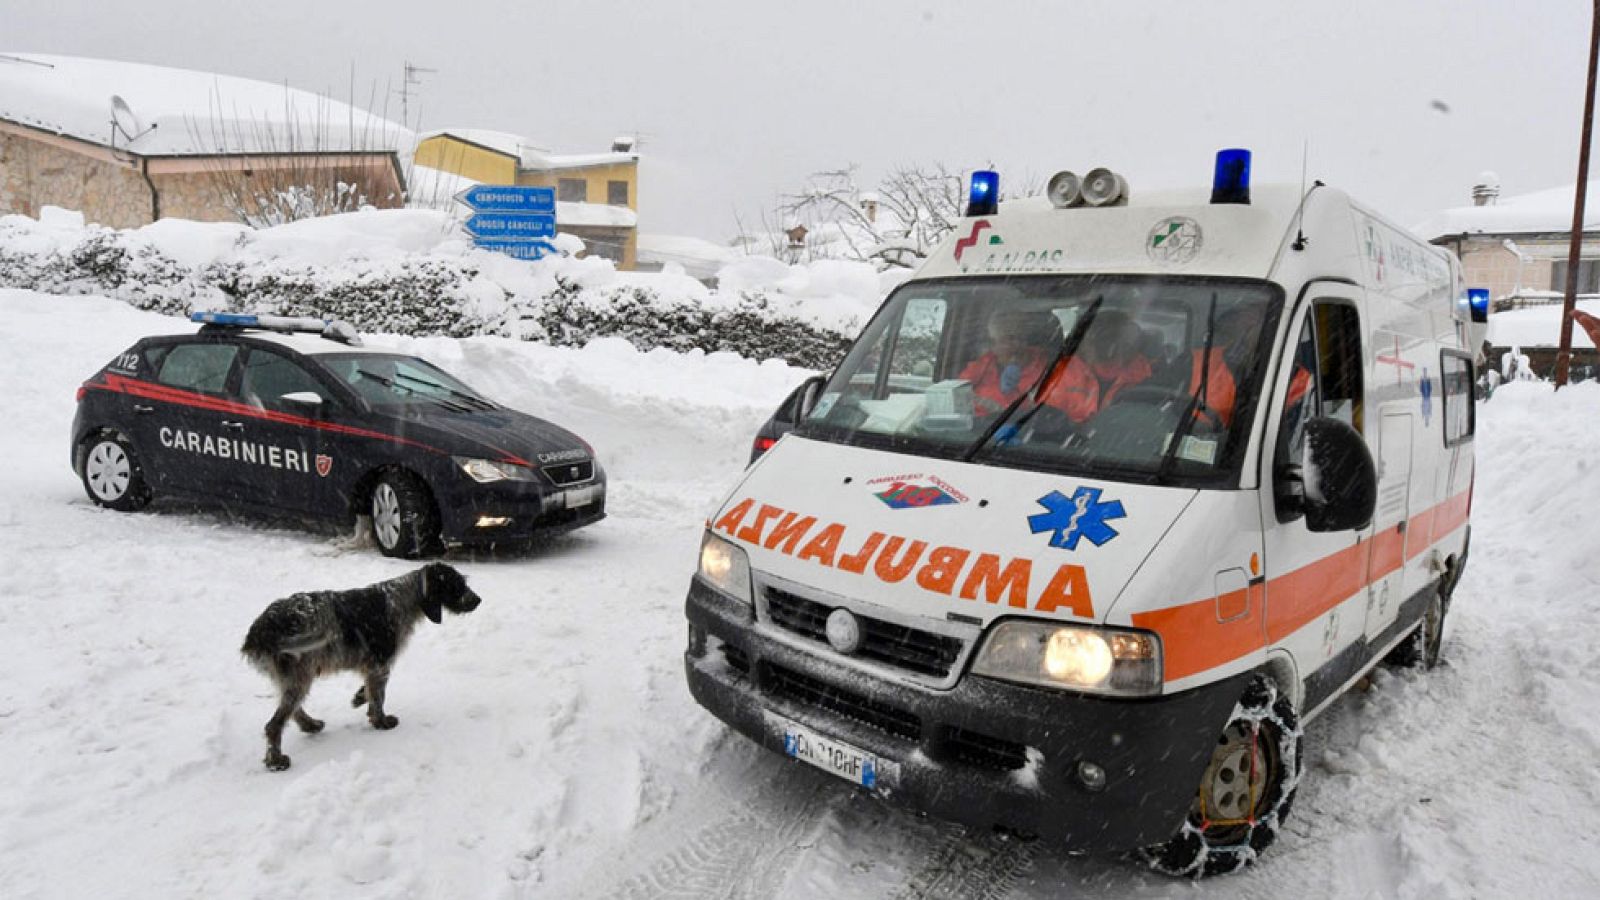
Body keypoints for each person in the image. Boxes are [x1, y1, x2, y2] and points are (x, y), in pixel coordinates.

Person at [959, 308, 1063, 416]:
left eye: (1021, 337)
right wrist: (986, 405)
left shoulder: (1054, 366)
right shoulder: (980, 368)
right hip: (984, 430)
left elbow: (1072, 410)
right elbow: (956, 399)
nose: (1016, 344)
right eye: (1008, 339)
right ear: (993, 344)